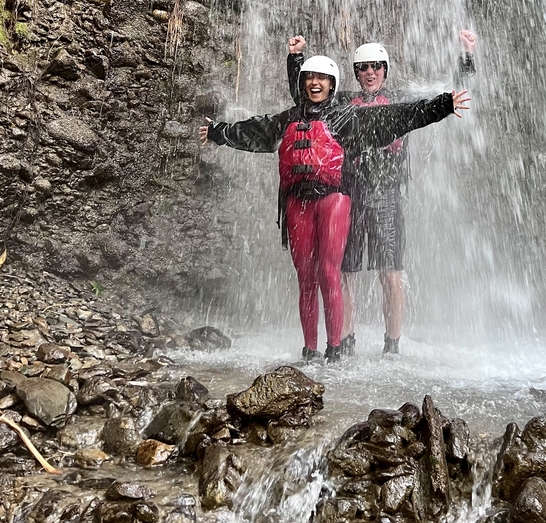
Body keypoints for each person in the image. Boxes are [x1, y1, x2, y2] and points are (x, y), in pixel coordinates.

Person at [200, 54, 470, 363]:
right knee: (306, 276)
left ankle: (336, 349)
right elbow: (255, 131)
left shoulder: (347, 117)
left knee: (330, 272)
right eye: (308, 78)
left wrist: (443, 105)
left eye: (321, 78)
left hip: (335, 197)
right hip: (298, 200)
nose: (314, 83)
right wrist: (218, 132)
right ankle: (310, 350)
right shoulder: (289, 117)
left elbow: (401, 116)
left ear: (332, 84)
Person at [286, 32, 477, 356]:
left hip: (386, 194)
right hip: (347, 194)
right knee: (344, 271)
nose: (370, 72)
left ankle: (392, 346)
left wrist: (466, 57)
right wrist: (296, 60)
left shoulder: (401, 101)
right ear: (356, 72)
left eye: (376, 66)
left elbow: (443, 95)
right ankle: (344, 341)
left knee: (390, 272)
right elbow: (305, 99)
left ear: (385, 70)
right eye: (363, 68)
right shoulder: (342, 103)